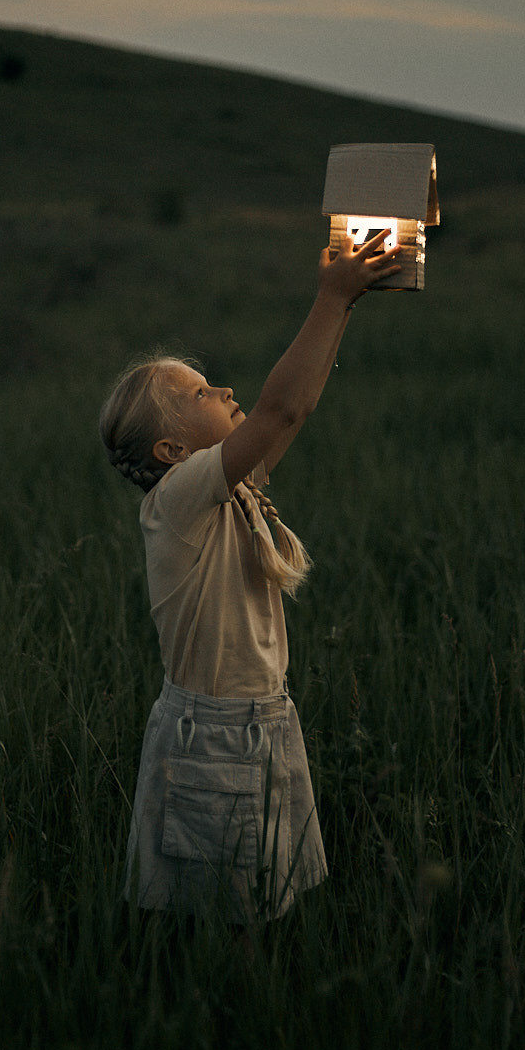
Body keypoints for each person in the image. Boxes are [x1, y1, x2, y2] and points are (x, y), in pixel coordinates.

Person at [98, 230, 402, 921]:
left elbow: (299, 409)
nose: (225, 389)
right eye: (201, 392)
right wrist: (329, 296)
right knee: (228, 918)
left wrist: (346, 304)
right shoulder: (178, 500)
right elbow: (277, 409)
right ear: (172, 449)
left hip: (260, 722)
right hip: (212, 738)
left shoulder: (229, 489)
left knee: (257, 904)